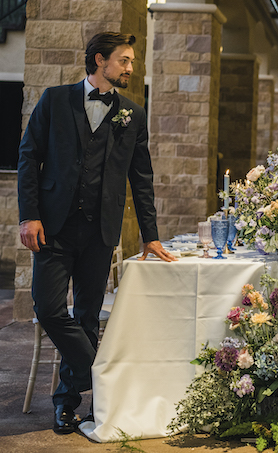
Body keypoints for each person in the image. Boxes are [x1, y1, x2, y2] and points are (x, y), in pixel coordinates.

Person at [18, 32, 177, 435]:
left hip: (100, 231)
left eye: (130, 61)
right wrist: (29, 216)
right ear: (99, 60)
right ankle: (100, 372)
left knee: (87, 316)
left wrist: (150, 234)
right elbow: (29, 158)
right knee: (49, 308)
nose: (130, 67)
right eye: (124, 60)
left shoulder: (132, 114)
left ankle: (68, 404)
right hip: (52, 228)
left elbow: (142, 179)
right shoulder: (55, 100)